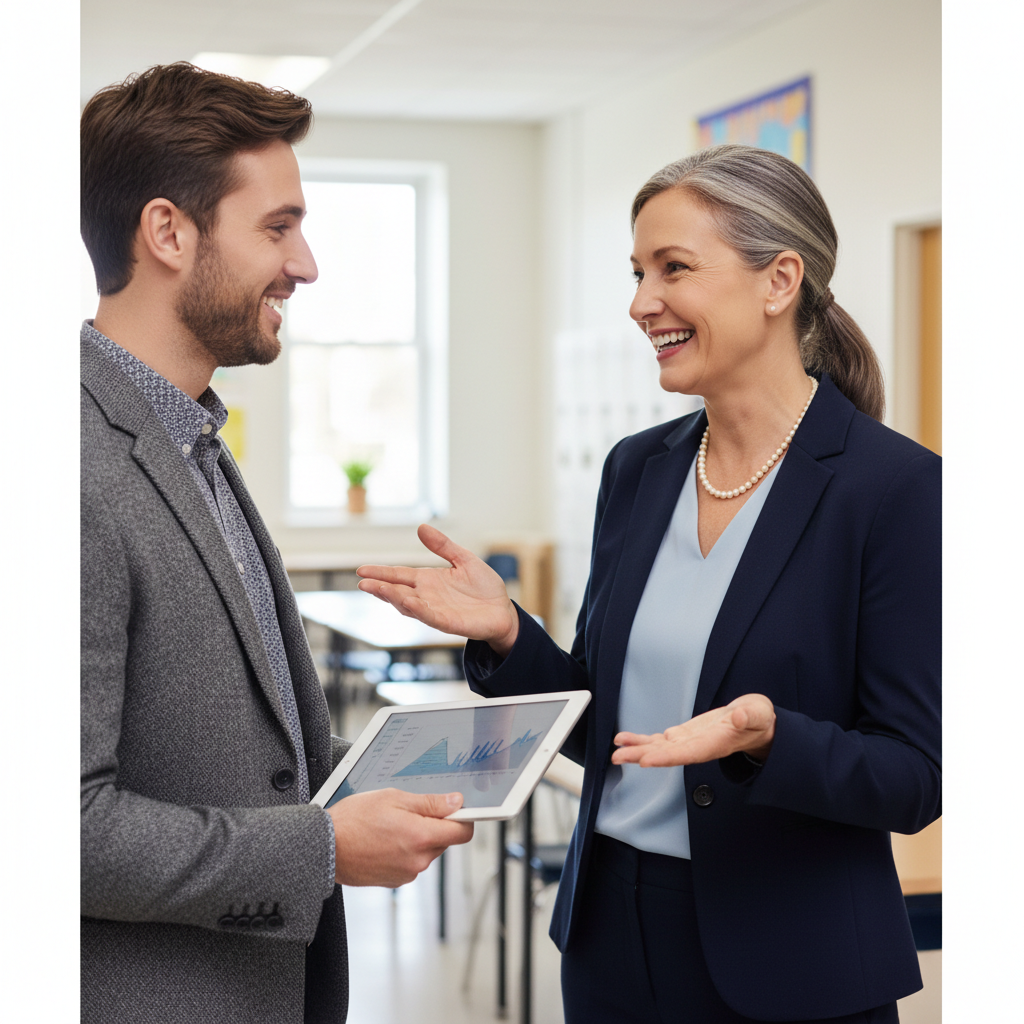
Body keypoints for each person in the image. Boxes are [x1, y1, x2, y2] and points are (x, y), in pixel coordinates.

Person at [356, 145, 941, 1023]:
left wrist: (765, 737)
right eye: (637, 272)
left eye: (674, 269)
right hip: (612, 940)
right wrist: (509, 635)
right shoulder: (640, 471)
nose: (640, 304)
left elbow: (915, 778)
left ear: (780, 280)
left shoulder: (896, 490)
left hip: (791, 958)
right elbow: (606, 732)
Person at [80, 63, 474, 1024]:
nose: (305, 265)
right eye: (277, 227)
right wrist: (325, 849)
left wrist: (414, 769)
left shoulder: (190, 441)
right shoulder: (70, 466)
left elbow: (241, 752)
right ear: (169, 232)